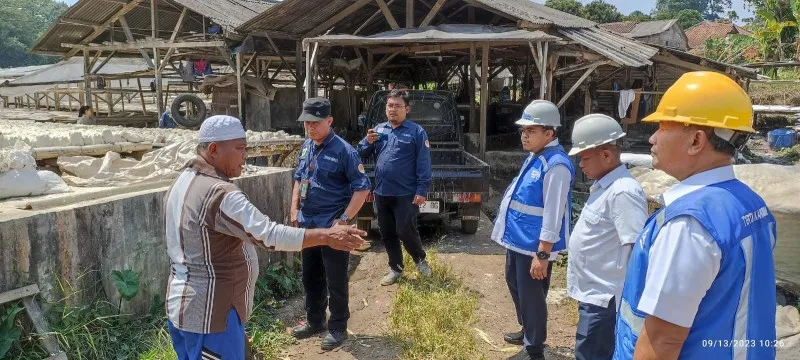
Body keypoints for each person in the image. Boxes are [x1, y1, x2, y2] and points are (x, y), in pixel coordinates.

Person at [164, 115, 366, 360]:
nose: (245, 156)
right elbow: (268, 235)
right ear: (214, 149)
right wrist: (328, 235)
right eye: (240, 149)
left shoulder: (182, 180)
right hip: (212, 315)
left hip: (183, 308)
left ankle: (332, 323)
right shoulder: (219, 192)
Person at [613, 71, 777, 360]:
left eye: (663, 125)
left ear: (696, 140)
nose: (652, 137)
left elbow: (662, 343)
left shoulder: (689, 224)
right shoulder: (751, 204)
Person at [492, 100, 575, 360]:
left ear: (549, 134)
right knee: (516, 286)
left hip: (534, 246)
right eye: (522, 130)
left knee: (532, 297)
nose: (524, 136)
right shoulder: (536, 157)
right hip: (518, 240)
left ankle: (534, 348)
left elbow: (553, 213)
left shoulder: (556, 165)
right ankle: (527, 329)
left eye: (531, 131)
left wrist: (542, 254)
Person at [290, 98, 371, 350]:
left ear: (329, 121)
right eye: (306, 123)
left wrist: (345, 219)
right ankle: (315, 321)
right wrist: (293, 208)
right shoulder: (306, 147)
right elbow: (298, 178)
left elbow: (362, 188)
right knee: (311, 276)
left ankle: (337, 327)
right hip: (309, 226)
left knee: (335, 279)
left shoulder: (345, 151)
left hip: (333, 227)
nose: (310, 128)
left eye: (315, 123)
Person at [566, 114, 649, 360]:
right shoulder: (606, 187)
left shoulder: (623, 192)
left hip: (606, 300)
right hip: (595, 296)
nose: (580, 164)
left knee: (592, 354)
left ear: (606, 155)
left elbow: (637, 250)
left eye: (585, 157)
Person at [357, 89, 433, 286]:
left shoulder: (416, 132)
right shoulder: (379, 130)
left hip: (405, 194)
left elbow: (423, 163)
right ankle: (396, 268)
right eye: (390, 105)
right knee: (387, 232)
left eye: (397, 106)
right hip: (382, 192)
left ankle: (420, 260)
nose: (393, 109)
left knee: (405, 230)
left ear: (406, 109)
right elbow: (361, 154)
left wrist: (422, 189)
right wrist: (367, 141)